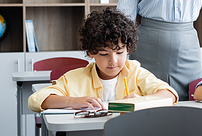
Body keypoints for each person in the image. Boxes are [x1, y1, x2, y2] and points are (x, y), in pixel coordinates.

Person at [28, 8, 178, 113]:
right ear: (91, 52)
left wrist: (142, 100)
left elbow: (170, 95)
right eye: (104, 54)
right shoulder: (76, 78)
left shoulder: (135, 73)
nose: (113, 61)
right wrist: (73, 101)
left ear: (128, 49)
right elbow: (36, 100)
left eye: (119, 52)